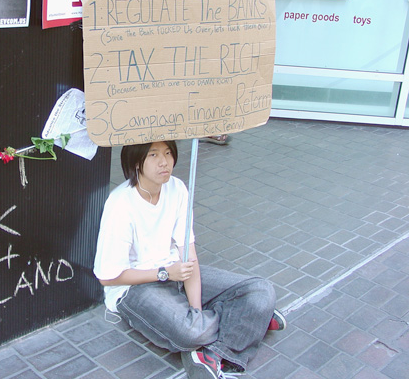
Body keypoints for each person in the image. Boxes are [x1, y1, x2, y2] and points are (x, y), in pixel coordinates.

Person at [94, 141, 285, 379]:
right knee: (191, 333)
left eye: (167, 153)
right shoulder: (121, 204)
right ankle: (249, 322)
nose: (164, 162)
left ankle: (210, 352)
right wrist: (165, 273)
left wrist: (195, 309)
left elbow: (189, 255)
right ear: (136, 162)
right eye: (153, 155)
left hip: (177, 272)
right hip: (135, 288)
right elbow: (107, 277)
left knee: (260, 291)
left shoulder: (177, 189)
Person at [153, 0, 266, 146]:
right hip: (182, 25)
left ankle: (201, 124)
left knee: (204, 75)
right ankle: (175, 123)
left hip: (202, 26)